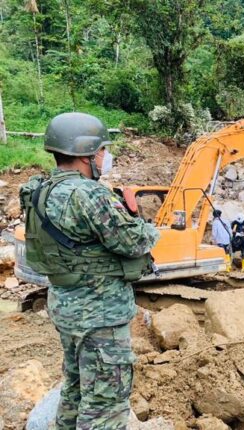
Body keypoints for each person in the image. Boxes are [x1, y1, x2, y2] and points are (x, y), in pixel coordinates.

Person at [19, 113, 160, 430]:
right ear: (85, 153)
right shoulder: (89, 195)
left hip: (66, 307)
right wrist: (138, 216)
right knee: (105, 408)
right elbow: (135, 242)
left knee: (75, 390)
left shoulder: (40, 190)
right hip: (100, 315)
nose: (105, 156)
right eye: (102, 150)